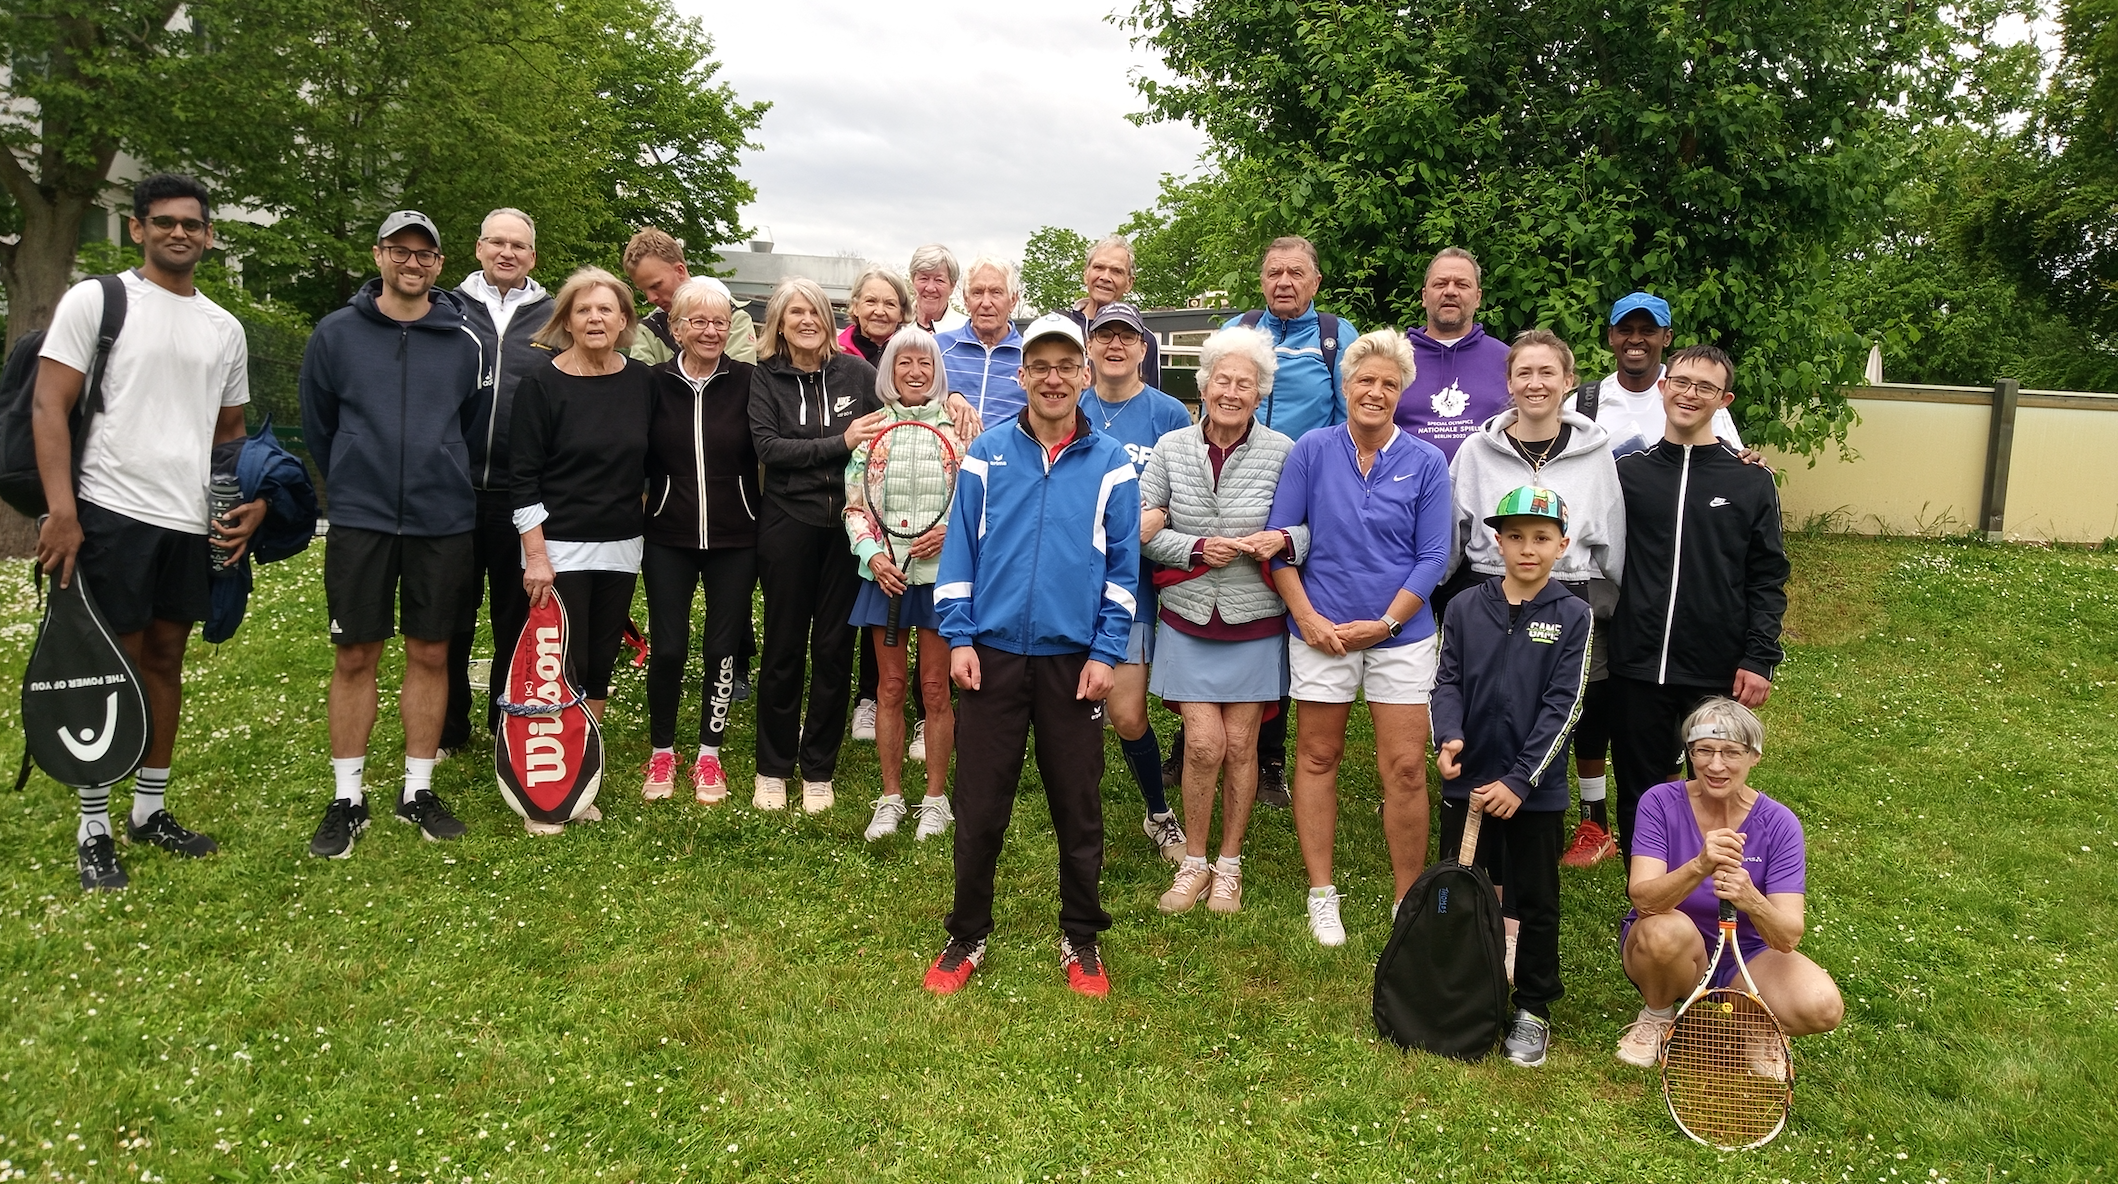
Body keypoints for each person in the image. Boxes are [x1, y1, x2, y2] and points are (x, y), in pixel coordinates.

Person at [32, 172, 261, 890]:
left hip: (186, 521)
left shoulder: (224, 328)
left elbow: (230, 434)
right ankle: (93, 827)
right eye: (164, 222)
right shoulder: (98, 301)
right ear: (137, 228)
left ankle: (149, 809)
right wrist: (62, 510)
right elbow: (48, 405)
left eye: (192, 224)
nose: (179, 233)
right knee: (111, 664)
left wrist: (238, 507)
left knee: (165, 658)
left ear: (209, 235)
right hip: (108, 512)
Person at [923, 314, 1140, 999]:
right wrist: (958, 635)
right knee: (981, 804)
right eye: (1038, 366)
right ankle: (968, 933)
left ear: (1084, 376)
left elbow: (1124, 571)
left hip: (1076, 662)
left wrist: (1106, 653)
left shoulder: (1111, 464)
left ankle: (1081, 937)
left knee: (1078, 807)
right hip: (991, 656)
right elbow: (960, 553)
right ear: (1021, 376)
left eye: (1064, 367)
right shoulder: (987, 453)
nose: (1052, 378)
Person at [300, 210, 485, 858]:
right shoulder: (336, 335)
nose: (412, 263)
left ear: (439, 265)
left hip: (442, 518)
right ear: (378, 255)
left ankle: (418, 790)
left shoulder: (464, 342)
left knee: (432, 653)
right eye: (400, 251)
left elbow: (471, 423)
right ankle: (348, 797)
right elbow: (319, 423)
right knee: (356, 656)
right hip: (363, 517)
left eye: (424, 254)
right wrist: (355, 476)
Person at [1267, 330, 1450, 946]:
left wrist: (1388, 622)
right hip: (1321, 634)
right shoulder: (1311, 452)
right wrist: (1310, 620)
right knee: (1318, 757)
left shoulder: (1426, 462)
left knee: (1403, 767)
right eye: (1364, 381)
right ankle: (1323, 893)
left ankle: (1409, 900)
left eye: (1389, 384)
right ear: (1345, 387)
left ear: (1402, 392)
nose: (1375, 392)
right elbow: (1280, 546)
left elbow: (1433, 557)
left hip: (1400, 636)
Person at [1170, 235, 1358, 808]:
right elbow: (1217, 387)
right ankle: (1192, 741)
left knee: (1273, 608)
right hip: (1234, 470)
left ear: (1315, 282)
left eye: (1296, 273)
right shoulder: (1238, 328)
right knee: (1216, 595)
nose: (1284, 282)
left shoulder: (1334, 335)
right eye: (1274, 272)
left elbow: (1346, 411)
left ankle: (1269, 757)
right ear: (1262, 279)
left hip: (1299, 480)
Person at [1442, 330, 1626, 864]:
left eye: (1548, 372)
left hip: (1567, 590)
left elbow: (1612, 536)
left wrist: (1607, 603)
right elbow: (1455, 527)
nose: (1536, 383)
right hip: (1486, 585)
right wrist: (1447, 593)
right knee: (1486, 704)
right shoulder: (1478, 450)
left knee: (1556, 707)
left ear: (1569, 382)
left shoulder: (1596, 453)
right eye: (1524, 372)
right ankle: (1476, 824)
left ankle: (1540, 819)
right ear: (1508, 382)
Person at [1431, 486, 1593, 1069]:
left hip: (1534, 793)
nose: (1528, 549)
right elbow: (1446, 681)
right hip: (1468, 785)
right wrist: (1447, 739)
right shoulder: (1466, 608)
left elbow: (1565, 705)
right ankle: (1461, 990)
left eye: (1542, 538)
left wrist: (1522, 780)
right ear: (1496, 541)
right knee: (1460, 891)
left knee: (1534, 898)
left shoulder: (1573, 614)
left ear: (1562, 546)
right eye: (1516, 536)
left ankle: (1532, 1006)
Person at [1609, 345, 1789, 862]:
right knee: (1642, 792)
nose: (1690, 394)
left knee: (1716, 785)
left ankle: (1713, 897)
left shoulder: (1751, 479)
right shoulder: (1626, 473)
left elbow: (1768, 577)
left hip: (1716, 666)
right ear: (1663, 388)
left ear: (1723, 400)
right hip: (1637, 662)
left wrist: (1759, 658)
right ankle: (1646, 901)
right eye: (1682, 382)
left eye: (1705, 387)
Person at [1138, 324, 1294, 915]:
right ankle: (1194, 862)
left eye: (1245, 384)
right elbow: (1144, 529)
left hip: (1255, 617)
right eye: (1223, 380)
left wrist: (1278, 537)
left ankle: (1229, 865)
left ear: (1260, 395)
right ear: (1203, 386)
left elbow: (1308, 529)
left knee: (1239, 744)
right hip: (1188, 612)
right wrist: (1197, 549)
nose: (1232, 392)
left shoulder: (1284, 452)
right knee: (1203, 744)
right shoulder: (1171, 448)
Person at [1615, 698, 1844, 1068]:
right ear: (1690, 754)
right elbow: (1644, 901)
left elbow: (1787, 936)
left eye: (1731, 753)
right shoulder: (1659, 802)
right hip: (1672, 946)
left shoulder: (1780, 824)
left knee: (1822, 1005)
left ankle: (1753, 1023)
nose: (1715, 765)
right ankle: (1656, 1016)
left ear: (1754, 756)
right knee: (1662, 933)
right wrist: (1700, 865)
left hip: (1749, 955)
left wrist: (1750, 898)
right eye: (1704, 750)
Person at [508, 267, 654, 833]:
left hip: (620, 547)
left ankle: (582, 778)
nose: (595, 318)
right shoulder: (541, 385)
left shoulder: (642, 381)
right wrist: (536, 555)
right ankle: (546, 784)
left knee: (595, 666)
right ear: (566, 319)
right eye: (584, 310)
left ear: (624, 322)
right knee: (555, 667)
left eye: (606, 310)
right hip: (557, 550)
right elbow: (524, 478)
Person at [750, 277, 884, 813]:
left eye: (816, 313)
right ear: (778, 322)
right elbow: (768, 447)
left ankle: (818, 766)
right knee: (783, 647)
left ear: (830, 322)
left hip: (847, 529)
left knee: (834, 649)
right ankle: (772, 766)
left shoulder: (857, 372)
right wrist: (840, 443)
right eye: (795, 312)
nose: (807, 320)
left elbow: (896, 418)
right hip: (787, 521)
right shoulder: (765, 378)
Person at [1077, 302, 1193, 859]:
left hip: (1132, 580)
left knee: (1126, 712)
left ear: (1144, 349)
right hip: (1067, 578)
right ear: (1090, 347)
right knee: (1072, 709)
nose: (1115, 345)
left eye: (1127, 337)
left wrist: (1158, 515)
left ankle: (1157, 813)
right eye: (1105, 337)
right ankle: (1076, 812)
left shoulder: (1169, 413)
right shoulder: (1067, 404)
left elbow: (1186, 492)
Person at [845, 326, 967, 842]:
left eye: (925, 363)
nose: (915, 372)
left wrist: (950, 534)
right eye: (903, 364)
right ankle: (890, 797)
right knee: (890, 688)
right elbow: (854, 507)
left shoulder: (961, 431)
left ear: (937, 371)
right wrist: (873, 556)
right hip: (888, 578)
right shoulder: (871, 430)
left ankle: (936, 800)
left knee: (936, 690)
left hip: (941, 581)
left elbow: (977, 510)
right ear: (889, 372)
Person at [641, 277, 758, 805]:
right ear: (676, 327)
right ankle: (662, 750)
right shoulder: (651, 383)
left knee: (721, 648)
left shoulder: (751, 382)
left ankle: (709, 754)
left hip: (737, 535)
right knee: (666, 648)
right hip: (668, 533)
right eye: (698, 321)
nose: (711, 331)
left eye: (720, 321)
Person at [442, 206, 550, 757]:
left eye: (519, 245)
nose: (507, 252)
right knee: (452, 614)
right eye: (497, 242)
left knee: (516, 615)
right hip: (454, 490)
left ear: (532, 256)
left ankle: (504, 720)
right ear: (479, 248)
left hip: (523, 496)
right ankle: (447, 727)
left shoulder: (553, 317)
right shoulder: (447, 308)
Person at [840, 265, 924, 747]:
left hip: (924, 541)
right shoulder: (839, 357)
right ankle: (868, 699)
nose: (879, 310)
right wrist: (871, 546)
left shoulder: (917, 357)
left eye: (889, 302)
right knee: (873, 612)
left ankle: (921, 709)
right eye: (870, 301)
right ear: (854, 307)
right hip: (870, 520)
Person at [1567, 292, 1742, 459]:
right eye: (1625, 330)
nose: (1635, 339)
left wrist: (1749, 459)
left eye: (1648, 331)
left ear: (1667, 337)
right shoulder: (1584, 403)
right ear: (1611, 336)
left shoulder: (1695, 399)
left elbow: (1733, 461)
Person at [1395, 247, 1510, 463]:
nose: (1450, 291)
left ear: (1478, 298)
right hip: (1408, 490)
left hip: (1485, 492)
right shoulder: (1394, 358)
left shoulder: (1508, 361)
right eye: (1440, 283)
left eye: (1462, 284)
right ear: (1424, 296)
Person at [621, 227, 757, 364]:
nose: (651, 298)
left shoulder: (736, 319)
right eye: (644, 290)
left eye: (656, 285)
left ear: (680, 271)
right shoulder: (648, 331)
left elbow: (739, 382)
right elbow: (640, 384)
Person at [935, 255, 1026, 426]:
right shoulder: (938, 348)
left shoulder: (1030, 356)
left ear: (1013, 300)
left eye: (996, 292)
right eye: (977, 292)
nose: (986, 303)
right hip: (949, 451)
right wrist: (949, 396)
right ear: (966, 299)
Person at [1059, 236, 1161, 388]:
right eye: (1099, 267)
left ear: (1129, 283)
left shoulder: (1144, 339)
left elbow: (1152, 401)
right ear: (1086, 274)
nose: (1105, 277)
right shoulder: (1059, 329)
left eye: (1116, 271)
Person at [908, 243, 968, 334]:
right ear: (912, 280)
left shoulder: (967, 330)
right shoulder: (897, 326)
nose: (930, 288)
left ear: (952, 285)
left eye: (939, 280)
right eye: (924, 278)